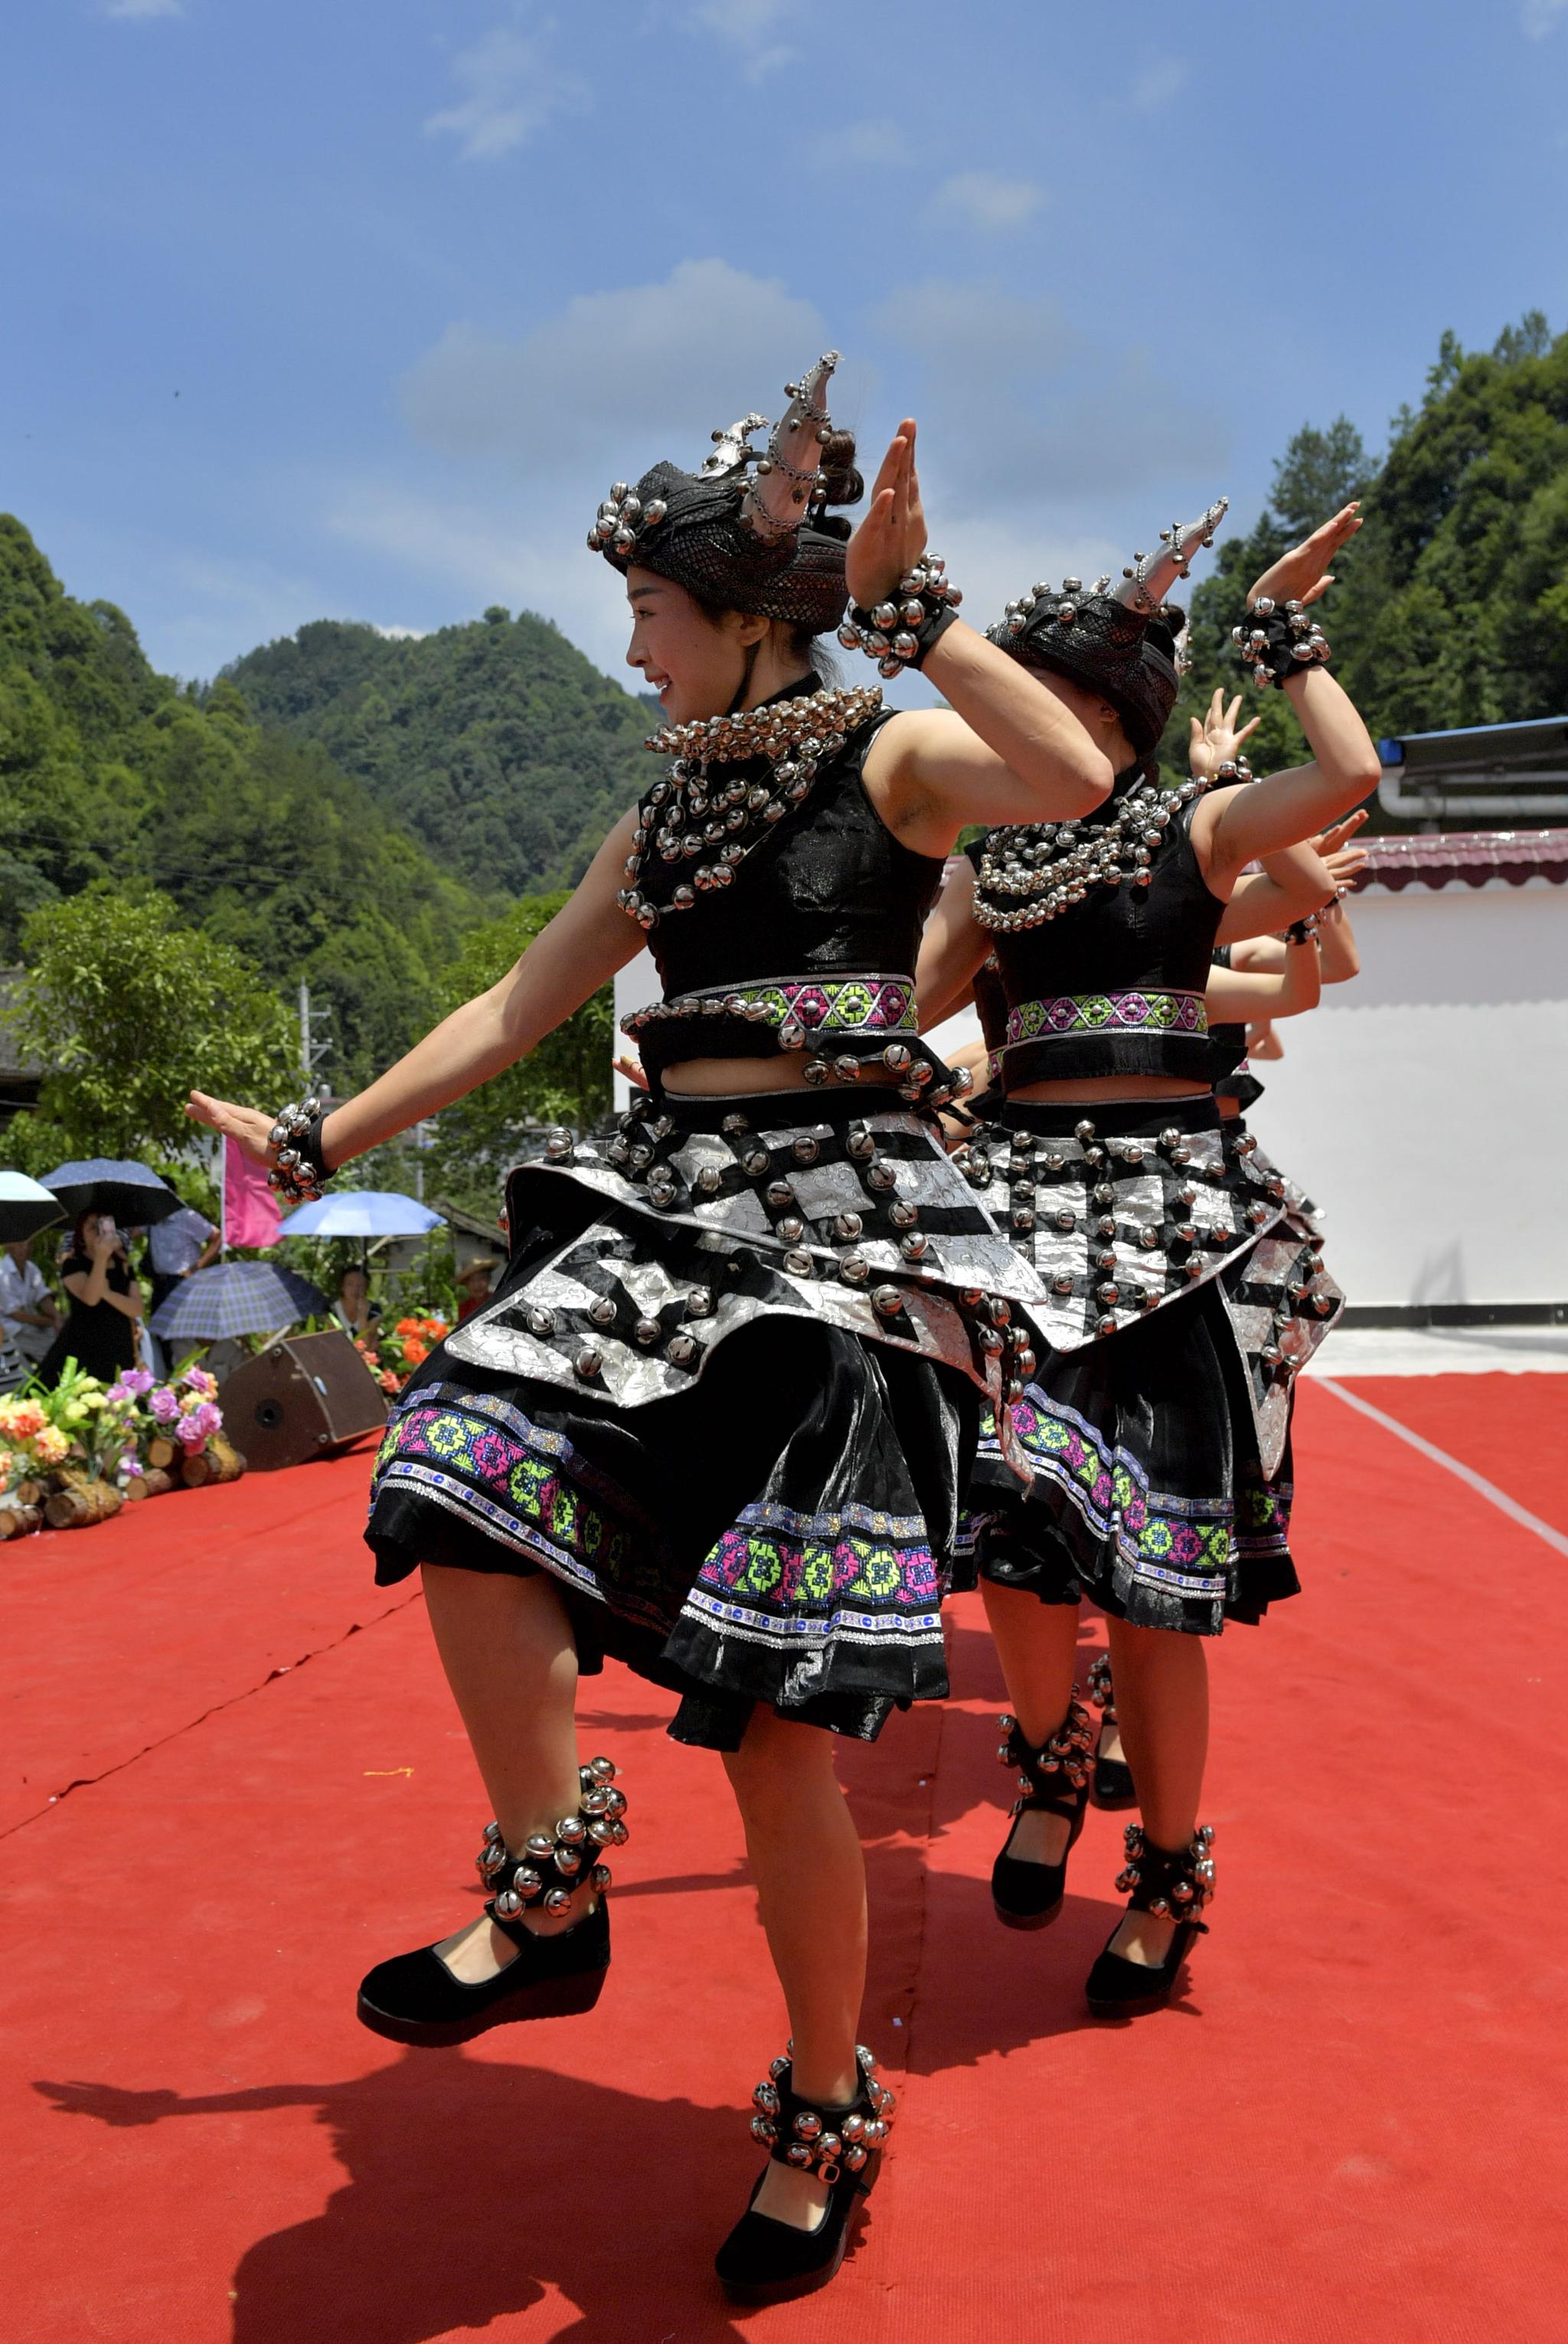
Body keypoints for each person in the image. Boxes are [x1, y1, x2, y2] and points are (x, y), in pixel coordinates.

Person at [188, 355, 1112, 2305]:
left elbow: (1071, 784)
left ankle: (817, 2102)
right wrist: (306, 1135)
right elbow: (510, 1013)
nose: (627, 651)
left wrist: (918, 614)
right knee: (450, 1468)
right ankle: (549, 1886)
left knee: (781, 1735)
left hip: (839, 1257)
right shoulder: (658, 830)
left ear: (749, 619)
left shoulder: (889, 760)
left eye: (648, 615)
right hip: (670, 1218)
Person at [915, 502, 1374, 2022]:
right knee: (1011, 1530)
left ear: (1109, 715)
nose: (1032, 721)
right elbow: (892, 1014)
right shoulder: (989, 868)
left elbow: (1350, 780)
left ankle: (1167, 1870)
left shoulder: (1190, 834)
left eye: (1060, 699)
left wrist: (1282, 628)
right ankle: (1051, 1759)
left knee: (1160, 1578)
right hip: (1023, 1212)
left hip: (1176, 1222)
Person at [35, 1211, 144, 1386]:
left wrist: (108, 1294)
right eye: (91, 1227)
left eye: (101, 1225)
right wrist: (101, 1257)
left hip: (118, 1344)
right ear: (81, 1235)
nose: (97, 1231)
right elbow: (91, 1299)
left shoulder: (123, 1264)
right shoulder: (73, 1264)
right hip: (84, 1345)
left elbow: (137, 1308)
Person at [144, 1204, 220, 1317]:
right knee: (160, 1328)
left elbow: (218, 1237)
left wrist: (197, 1267)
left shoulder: (186, 1217)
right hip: (160, 1284)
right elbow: (131, 1233)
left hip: (182, 1282)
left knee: (184, 1327)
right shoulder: (152, 1219)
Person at [0, 1233, 62, 1365]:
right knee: (49, 1349)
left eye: (29, 1243)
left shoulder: (31, 1268)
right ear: (8, 1247)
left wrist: (57, 1319)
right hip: (11, 1329)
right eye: (20, 1244)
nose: (25, 1248)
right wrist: (50, 1322)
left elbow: (43, 1296)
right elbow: (16, 1314)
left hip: (29, 1324)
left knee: (59, 1335)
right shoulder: (2, 1272)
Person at [335, 1264, 381, 1340]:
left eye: (360, 1285)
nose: (355, 1289)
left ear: (367, 1287)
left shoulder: (374, 1310)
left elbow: (367, 1344)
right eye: (350, 1284)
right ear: (342, 1286)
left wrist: (363, 1316)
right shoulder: (332, 1310)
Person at [455, 1256, 495, 1322]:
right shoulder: (464, 1307)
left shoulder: (498, 1300)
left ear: (488, 1279)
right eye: (472, 1281)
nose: (476, 1285)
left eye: (481, 1279)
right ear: (466, 1285)